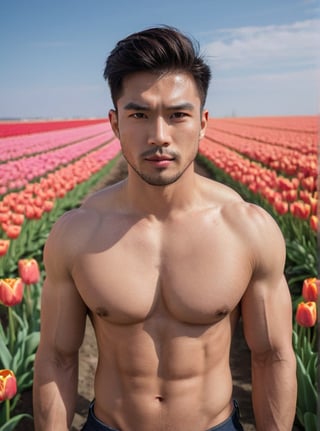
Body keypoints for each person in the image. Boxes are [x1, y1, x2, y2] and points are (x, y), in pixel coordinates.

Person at [33, 26, 297, 431]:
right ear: (115, 122)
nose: (159, 136)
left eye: (178, 115)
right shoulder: (78, 234)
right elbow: (57, 358)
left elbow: (272, 357)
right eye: (139, 114)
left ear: (203, 122)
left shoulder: (247, 229)